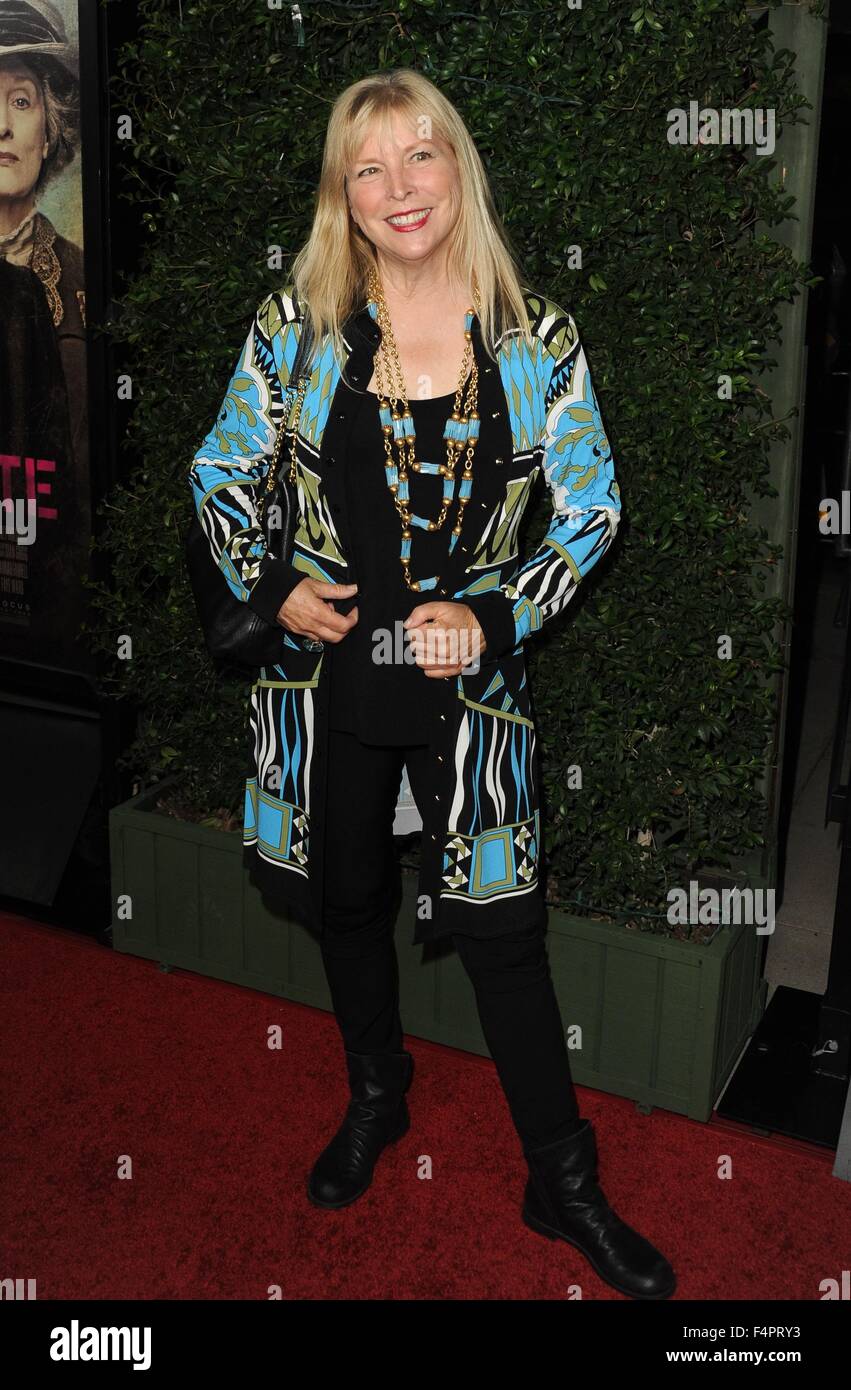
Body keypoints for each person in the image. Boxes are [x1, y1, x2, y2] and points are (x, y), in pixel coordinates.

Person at [189, 68, 676, 1300]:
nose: (399, 188)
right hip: (330, 681)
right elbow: (216, 473)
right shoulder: (294, 323)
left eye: (420, 157)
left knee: (508, 939)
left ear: (457, 168)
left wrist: (498, 611)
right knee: (347, 897)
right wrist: (267, 597)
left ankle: (560, 1180)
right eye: (369, 168)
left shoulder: (532, 335)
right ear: (341, 197)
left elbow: (592, 505)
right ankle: (376, 1093)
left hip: (471, 696)